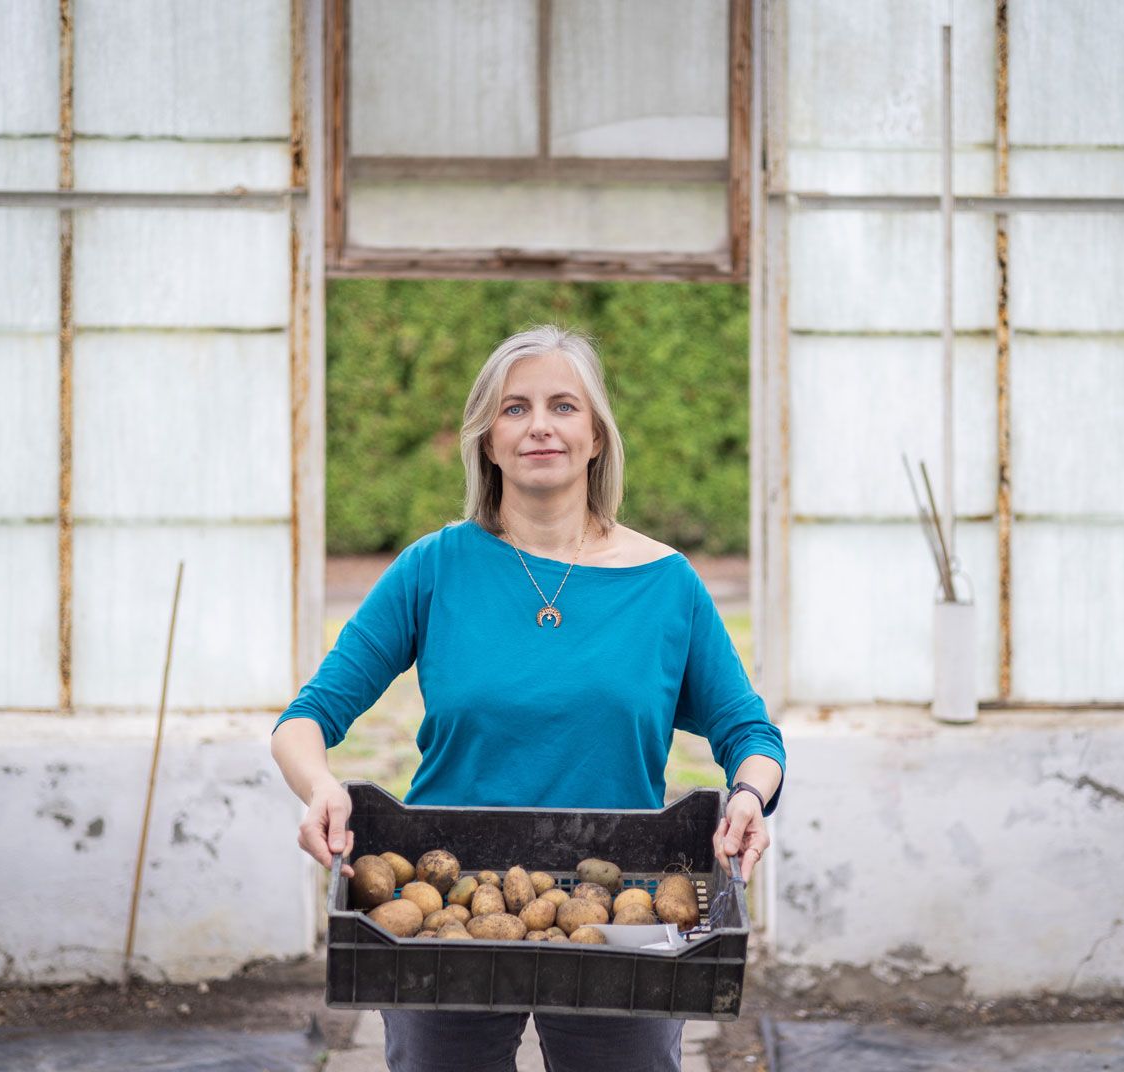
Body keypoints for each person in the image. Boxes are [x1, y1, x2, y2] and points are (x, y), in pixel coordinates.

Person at [270, 325, 786, 1072]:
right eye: (514, 409)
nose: (539, 425)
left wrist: (746, 796)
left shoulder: (666, 583)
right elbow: (305, 719)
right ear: (485, 440)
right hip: (447, 900)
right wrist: (319, 787)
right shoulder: (434, 567)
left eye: (562, 406)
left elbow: (750, 731)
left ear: (596, 436)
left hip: (623, 906)